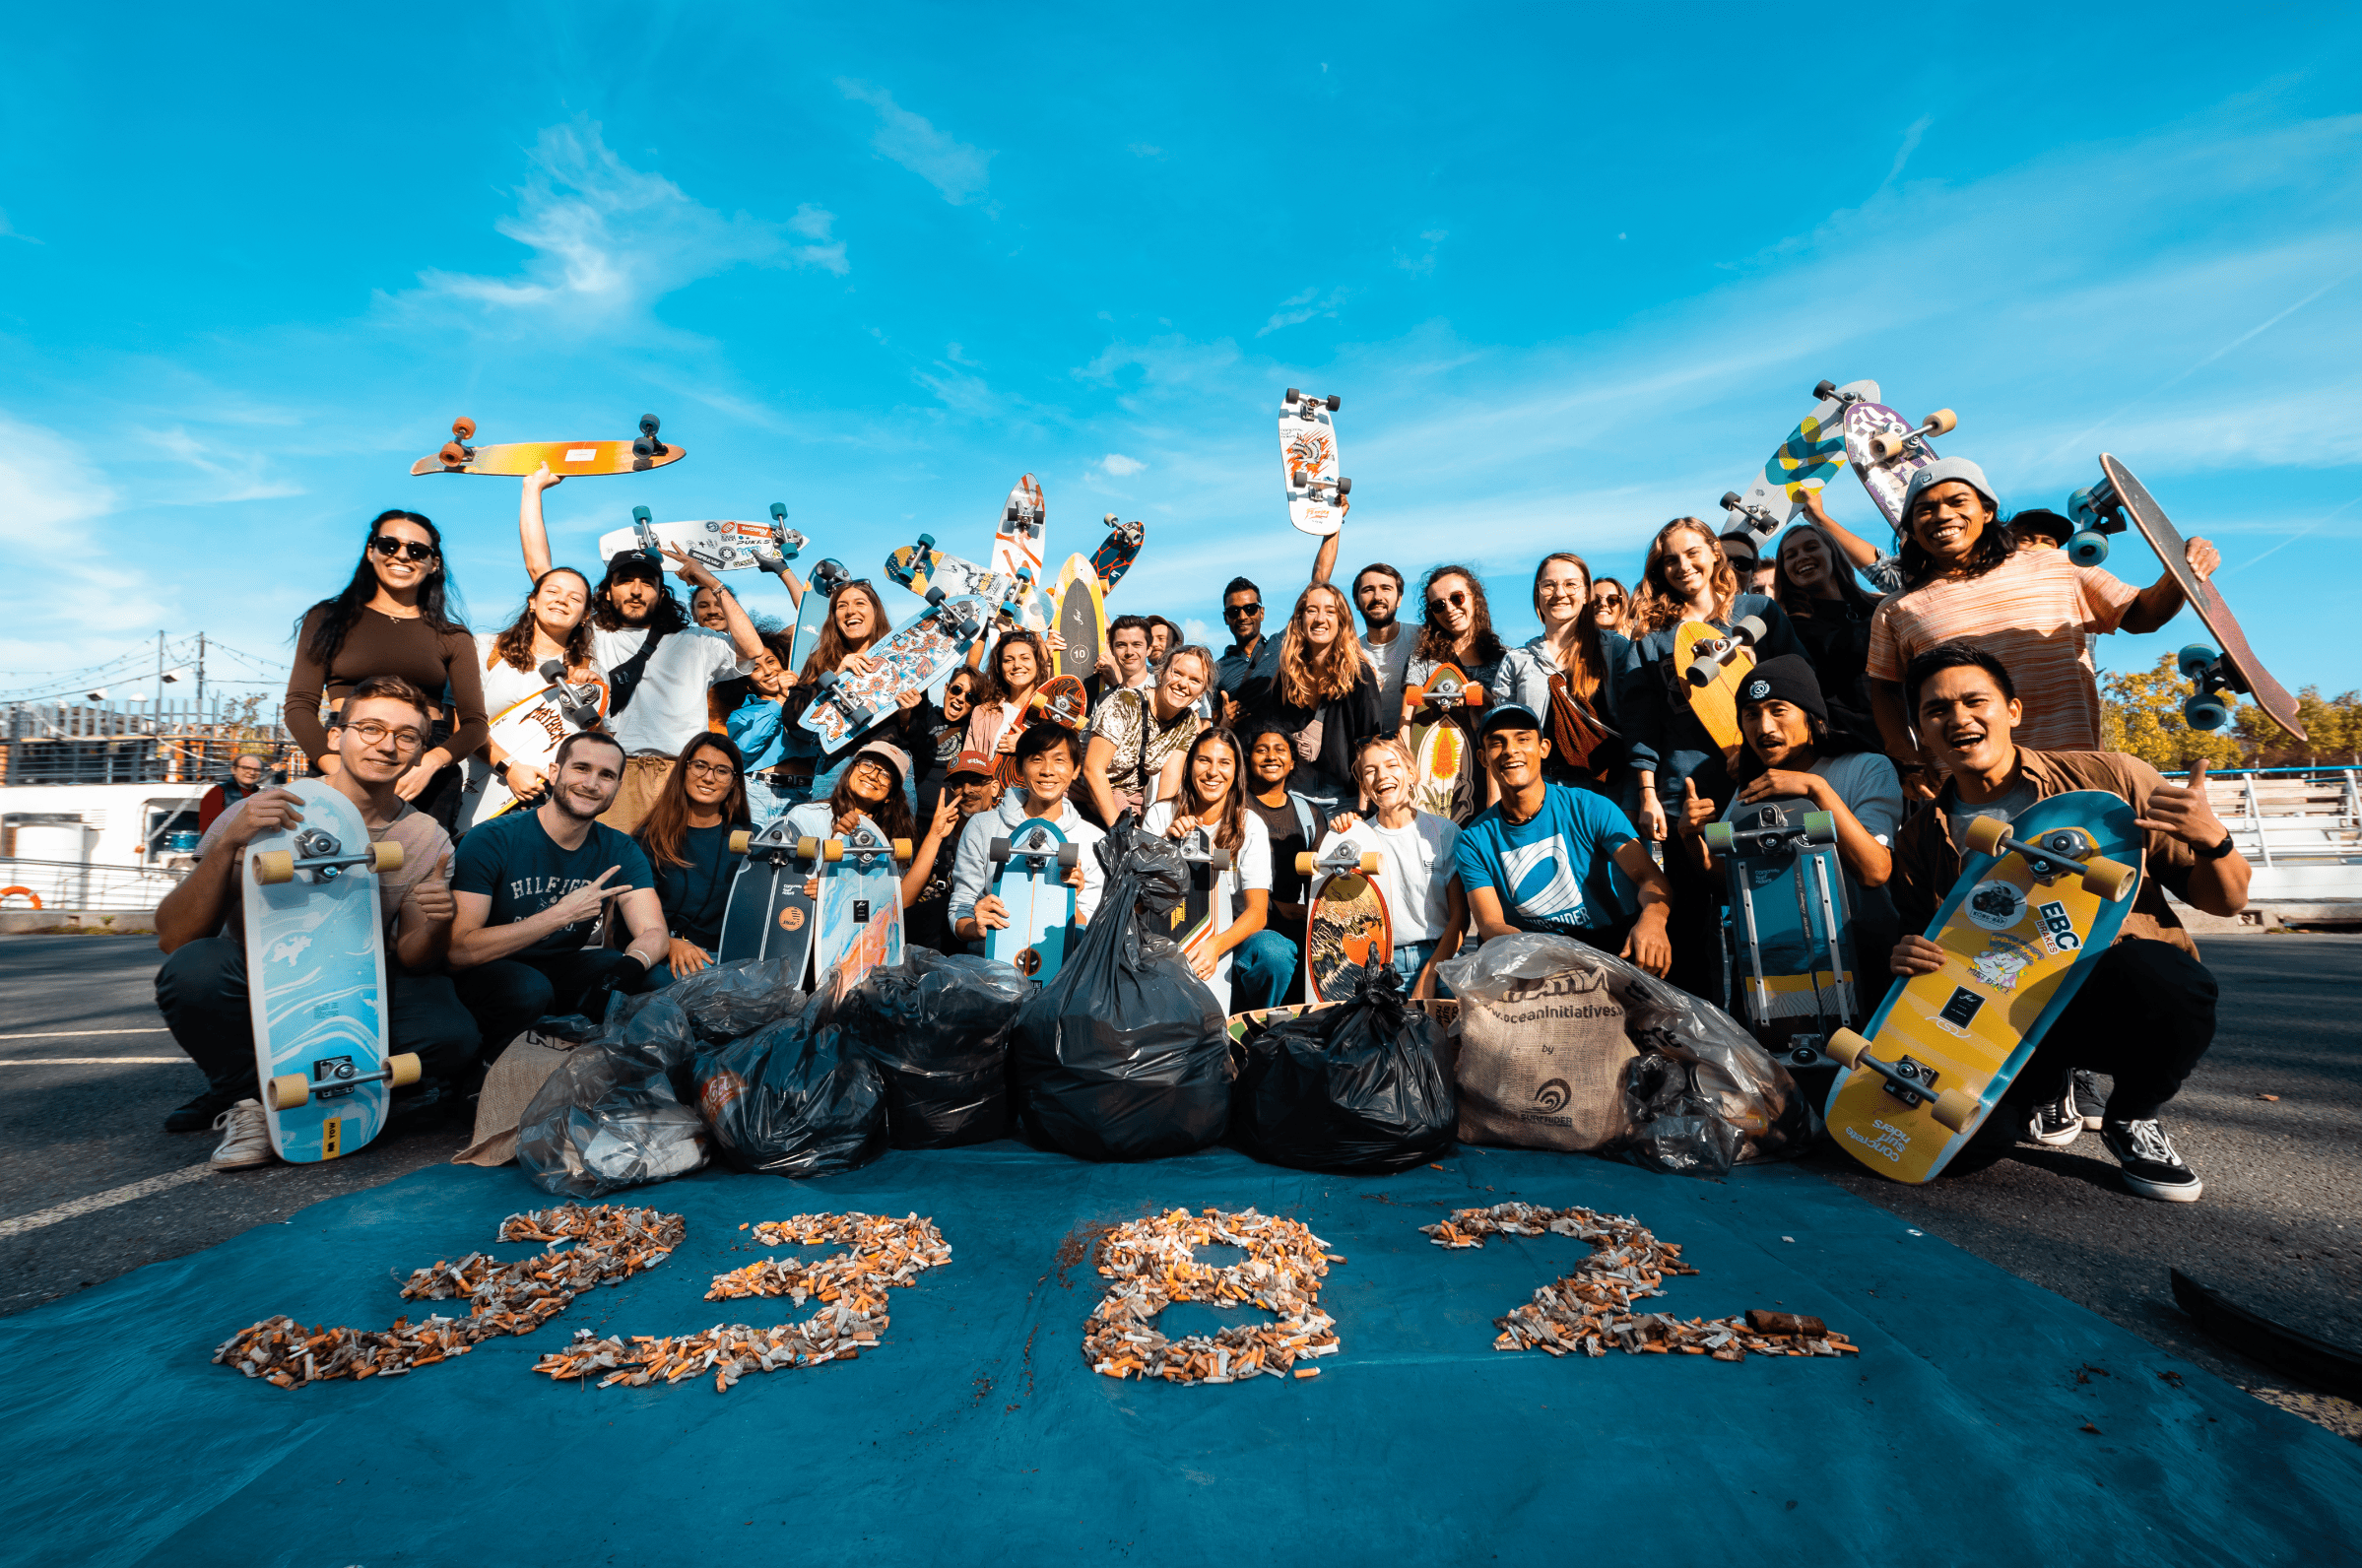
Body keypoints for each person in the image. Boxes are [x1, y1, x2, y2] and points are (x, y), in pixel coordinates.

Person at [1890, 641, 2248, 1202]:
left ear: (2012, 710)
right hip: (2005, 1015)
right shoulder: (1920, 837)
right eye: (1937, 710)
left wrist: (2214, 841)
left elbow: (2226, 901)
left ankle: (2132, 1116)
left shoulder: (2111, 784)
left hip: (2106, 988)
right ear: (1920, 730)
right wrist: (1909, 954)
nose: (1958, 718)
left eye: (1974, 701)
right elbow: (1926, 953)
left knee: (2169, 980)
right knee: (1963, 1151)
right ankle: (2048, 1081)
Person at [154, 676, 478, 1163]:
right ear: (335, 736)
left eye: (406, 736)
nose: (387, 745)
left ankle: (354, 1083)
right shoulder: (261, 811)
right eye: (370, 728)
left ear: (417, 751)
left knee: (452, 1035)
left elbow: (415, 956)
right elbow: (174, 936)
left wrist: (434, 921)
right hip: (265, 980)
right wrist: (229, 843)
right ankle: (248, 1098)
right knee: (193, 969)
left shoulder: (424, 835)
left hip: (356, 980)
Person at [1864, 458, 2215, 800]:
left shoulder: (2059, 566)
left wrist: (2179, 573)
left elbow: (2141, 616)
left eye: (1958, 502)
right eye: (1924, 509)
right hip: (1969, 793)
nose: (1941, 515)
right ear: (1911, 525)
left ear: (1987, 512)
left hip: (2075, 778)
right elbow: (1883, 688)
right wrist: (1907, 758)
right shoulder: (1896, 609)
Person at [518, 467, 765, 832]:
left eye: (647, 582)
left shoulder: (696, 641)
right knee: (608, 875)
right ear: (607, 591)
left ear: (661, 593)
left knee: (672, 881)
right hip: (614, 772)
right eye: (625, 581)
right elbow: (542, 573)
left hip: (679, 777)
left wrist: (710, 580)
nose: (636, 590)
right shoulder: (592, 633)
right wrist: (532, 489)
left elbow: (752, 648)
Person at [1618, 515, 1804, 998]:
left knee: (1770, 904)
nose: (1683, 566)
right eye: (1670, 560)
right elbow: (1642, 724)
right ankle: (1702, 1031)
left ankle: (1785, 1019)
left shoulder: (1759, 612)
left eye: (1692, 552)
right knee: (1697, 918)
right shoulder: (1652, 641)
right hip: (1688, 798)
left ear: (1714, 552)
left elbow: (1799, 685)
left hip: (1761, 786)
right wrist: (1648, 794)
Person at [1673, 655, 1903, 1015]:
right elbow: (1730, 884)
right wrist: (1692, 839)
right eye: (1751, 714)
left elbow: (1875, 870)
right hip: (1779, 970)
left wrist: (1817, 790)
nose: (1764, 727)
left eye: (1778, 710)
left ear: (1812, 716)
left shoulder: (1867, 767)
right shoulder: (1749, 789)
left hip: (1862, 957)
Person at [446, 731, 669, 1055]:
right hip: (490, 968)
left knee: (650, 979)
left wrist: (629, 968)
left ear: (618, 787)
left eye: (606, 775)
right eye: (581, 768)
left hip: (561, 967)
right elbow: (457, 951)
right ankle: (485, 1078)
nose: (592, 784)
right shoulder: (492, 839)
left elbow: (654, 932)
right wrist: (560, 915)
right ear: (554, 772)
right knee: (528, 988)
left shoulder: (619, 848)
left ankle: (611, 1079)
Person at [284, 508, 487, 830]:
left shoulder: (454, 637)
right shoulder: (326, 619)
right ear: (371, 551)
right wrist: (336, 769)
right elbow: (298, 706)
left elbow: (475, 725)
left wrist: (431, 764)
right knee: (333, 870)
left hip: (425, 759)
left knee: (418, 874)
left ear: (434, 564)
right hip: (345, 753)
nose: (402, 556)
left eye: (417, 550)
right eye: (389, 545)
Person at [1454, 704, 1673, 975]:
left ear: (1544, 748)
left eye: (1523, 739)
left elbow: (1649, 877)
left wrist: (1653, 919)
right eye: (1497, 743)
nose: (1511, 750)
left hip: (1615, 945)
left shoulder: (1591, 807)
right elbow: (1490, 925)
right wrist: (1554, 959)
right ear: (1483, 757)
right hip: (1534, 956)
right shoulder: (1472, 840)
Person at [1145, 728, 1292, 1012]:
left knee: (1274, 951)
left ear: (1237, 771)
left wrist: (1215, 945)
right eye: (1204, 761)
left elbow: (1257, 912)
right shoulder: (1161, 815)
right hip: (1168, 932)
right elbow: (1140, 902)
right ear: (1189, 767)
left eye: (1224, 763)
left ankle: (1253, 1026)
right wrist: (1166, 848)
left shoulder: (1250, 825)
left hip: (1229, 938)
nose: (1213, 772)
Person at [1317, 735, 1467, 999]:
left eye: (1391, 765)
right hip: (1378, 963)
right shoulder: (1356, 838)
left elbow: (1460, 918)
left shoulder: (1444, 833)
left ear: (1411, 773)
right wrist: (1340, 838)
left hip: (1441, 959)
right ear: (1363, 785)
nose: (1381, 775)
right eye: (1370, 771)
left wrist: (1429, 975)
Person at [459, 564, 604, 830]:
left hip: (543, 803)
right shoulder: (486, 648)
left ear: (585, 615)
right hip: (469, 794)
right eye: (552, 591)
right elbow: (459, 722)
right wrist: (510, 768)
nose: (562, 599)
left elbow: (595, 744)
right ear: (533, 601)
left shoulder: (590, 671)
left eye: (575, 598)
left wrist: (596, 701)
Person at [950, 724, 1105, 950]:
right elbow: (961, 905)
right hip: (990, 968)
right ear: (1020, 768)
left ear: (1075, 770)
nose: (1047, 770)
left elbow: (1092, 933)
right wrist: (975, 928)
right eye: (1036, 759)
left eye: (1059, 760)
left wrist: (1072, 901)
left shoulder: (1094, 840)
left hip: (1061, 972)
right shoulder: (983, 826)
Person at [1245, 581, 1384, 812]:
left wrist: (1362, 810)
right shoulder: (1287, 675)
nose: (1320, 619)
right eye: (1312, 610)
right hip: (1294, 798)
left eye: (1330, 611)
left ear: (1342, 621)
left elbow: (1370, 744)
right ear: (1300, 619)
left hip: (1344, 800)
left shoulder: (1359, 674)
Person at [1501, 552, 1630, 792]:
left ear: (1585, 594)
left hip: (1608, 793)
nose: (1559, 593)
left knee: (1720, 830)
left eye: (1571, 584)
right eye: (1549, 585)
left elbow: (1637, 727)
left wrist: (1635, 798)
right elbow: (1504, 736)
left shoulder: (1614, 649)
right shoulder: (1517, 660)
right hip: (1539, 792)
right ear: (1537, 594)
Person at [631, 731, 750, 985]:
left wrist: (812, 888)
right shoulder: (648, 839)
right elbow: (627, 918)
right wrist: (668, 942)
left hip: (729, 962)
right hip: (665, 955)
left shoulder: (751, 839)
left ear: (733, 782)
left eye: (721, 771)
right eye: (700, 766)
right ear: (683, 770)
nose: (708, 777)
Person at [1770, 521, 1883, 757]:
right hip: (1844, 752)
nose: (1802, 557)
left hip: (1906, 738)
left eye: (1811, 547)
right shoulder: (1788, 631)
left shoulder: (1877, 608)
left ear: (1832, 551)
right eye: (1790, 555)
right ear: (1784, 570)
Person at [1082, 644, 1208, 826]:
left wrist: (1157, 831)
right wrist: (1121, 833)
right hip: (1087, 797)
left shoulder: (1187, 722)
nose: (1183, 684)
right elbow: (1093, 770)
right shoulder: (1125, 702)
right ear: (1162, 674)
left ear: (1202, 692)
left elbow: (1169, 781)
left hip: (1129, 806)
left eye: (1195, 680)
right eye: (1177, 673)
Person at [1311, 527, 1415, 719]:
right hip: (1365, 744)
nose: (1378, 597)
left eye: (1386, 589)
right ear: (1357, 602)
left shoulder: (1422, 639)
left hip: (1415, 743)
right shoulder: (1349, 652)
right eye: (1368, 590)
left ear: (1399, 599)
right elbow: (1315, 588)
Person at [906, 749, 1001, 953]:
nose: (966, 790)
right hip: (932, 944)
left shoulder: (1006, 835)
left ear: (994, 788)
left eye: (975, 781)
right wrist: (935, 835)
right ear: (951, 792)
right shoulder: (938, 834)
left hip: (983, 939)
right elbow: (903, 904)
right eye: (958, 784)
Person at [1402, 564, 1508, 725]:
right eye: (1439, 605)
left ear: (1475, 597)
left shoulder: (1507, 659)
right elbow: (1406, 722)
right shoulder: (1422, 661)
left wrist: (1488, 698)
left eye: (1457, 598)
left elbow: (1518, 721)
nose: (1450, 609)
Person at [723, 631, 810, 827]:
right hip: (758, 793)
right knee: (753, 855)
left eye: (771, 661)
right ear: (747, 681)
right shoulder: (741, 715)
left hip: (806, 793)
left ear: (784, 663)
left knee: (802, 856)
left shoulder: (810, 703)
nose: (768, 672)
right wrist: (780, 699)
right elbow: (745, 749)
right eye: (756, 668)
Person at [911, 665, 995, 822]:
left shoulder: (973, 728)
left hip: (950, 821)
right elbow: (918, 670)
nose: (961, 698)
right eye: (956, 689)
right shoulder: (926, 713)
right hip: (910, 815)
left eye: (970, 697)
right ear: (946, 687)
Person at [967, 626, 1052, 778]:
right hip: (990, 797)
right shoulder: (983, 712)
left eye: (1025, 658)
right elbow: (968, 764)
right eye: (1008, 660)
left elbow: (1066, 758)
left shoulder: (1052, 709)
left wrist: (1027, 745)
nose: (1017, 665)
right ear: (999, 667)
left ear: (1037, 663)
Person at [1214, 577, 1281, 721]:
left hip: (1284, 741)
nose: (1242, 616)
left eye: (1250, 609)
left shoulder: (1282, 644)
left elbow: (1315, 588)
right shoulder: (1215, 670)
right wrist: (1225, 722)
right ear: (1226, 618)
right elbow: (1216, 728)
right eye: (1234, 611)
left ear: (1261, 613)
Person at [1088, 615, 1155, 705]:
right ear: (1112, 649)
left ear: (1149, 649)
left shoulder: (1161, 688)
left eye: (1136, 644)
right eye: (1121, 645)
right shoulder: (1103, 699)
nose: (1129, 652)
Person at [197, 751, 270, 832]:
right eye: (246, 768)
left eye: (257, 769)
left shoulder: (261, 794)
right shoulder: (218, 792)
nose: (252, 772)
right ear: (234, 770)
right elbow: (207, 829)